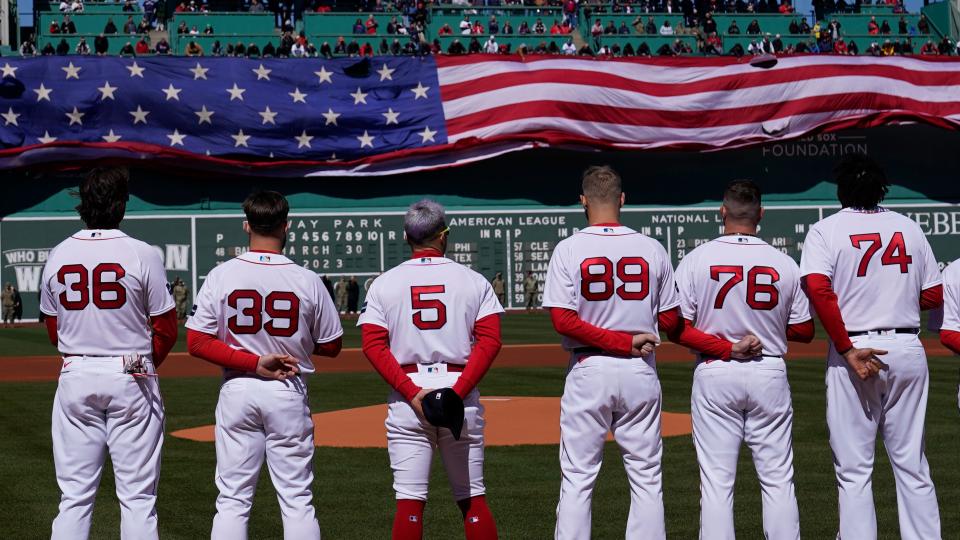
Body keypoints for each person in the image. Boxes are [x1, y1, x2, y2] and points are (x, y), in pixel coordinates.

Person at [543, 165, 757, 540]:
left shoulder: (569, 248)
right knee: (646, 479)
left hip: (589, 367)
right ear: (623, 200)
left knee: (578, 478)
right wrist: (720, 345)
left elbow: (563, 321)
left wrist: (617, 340)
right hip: (640, 369)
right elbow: (672, 322)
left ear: (583, 201)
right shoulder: (651, 248)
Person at [800, 154, 943, 540]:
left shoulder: (826, 230)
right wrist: (892, 298)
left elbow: (817, 287)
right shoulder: (908, 226)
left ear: (841, 189)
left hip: (855, 350)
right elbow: (932, 293)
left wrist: (846, 348)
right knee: (912, 464)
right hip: (906, 347)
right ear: (882, 187)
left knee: (854, 468)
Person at [186, 190, 343, 540]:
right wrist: (295, 342)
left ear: (246, 225)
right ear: (286, 227)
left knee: (232, 501)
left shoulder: (222, 275)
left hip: (238, 388)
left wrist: (254, 362)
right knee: (297, 500)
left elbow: (196, 342)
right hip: (287, 388)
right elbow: (332, 345)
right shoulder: (307, 279)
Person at [39, 167, 178, 540]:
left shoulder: (58, 254)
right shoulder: (141, 253)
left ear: (83, 205)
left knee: (74, 497)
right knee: (137, 498)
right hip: (130, 372)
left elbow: (54, 330)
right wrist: (143, 363)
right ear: (121, 205)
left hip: (76, 372)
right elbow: (166, 329)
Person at [675, 180, 814, 540]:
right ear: (761, 214)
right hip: (768, 369)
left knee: (717, 482)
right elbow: (804, 330)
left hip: (716, 368)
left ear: (722, 211)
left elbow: (676, 329)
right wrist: (767, 329)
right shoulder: (785, 264)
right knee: (778, 479)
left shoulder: (696, 259)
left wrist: (727, 345)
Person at [358, 199, 502, 540]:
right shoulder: (473, 280)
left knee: (409, 504)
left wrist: (411, 393)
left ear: (407, 236)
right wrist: (458, 392)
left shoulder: (384, 284)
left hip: (409, 394)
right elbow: (490, 341)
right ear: (444, 236)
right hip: (458, 390)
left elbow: (372, 345)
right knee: (472, 500)